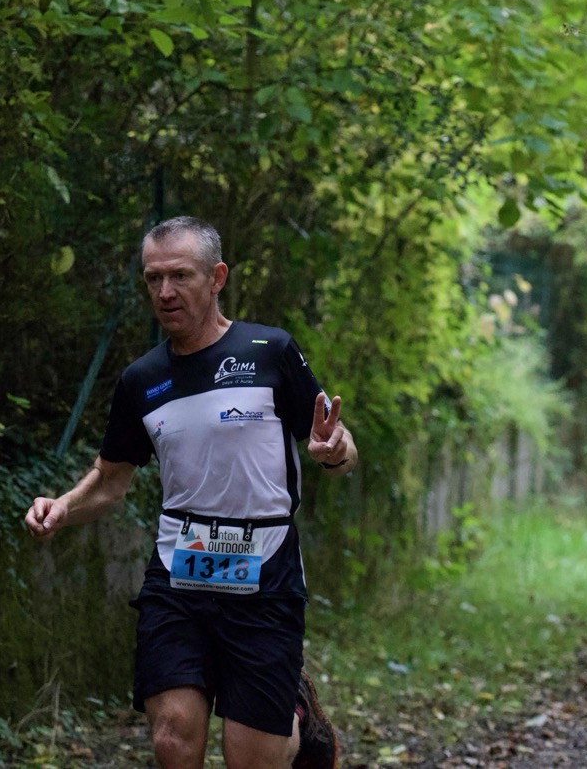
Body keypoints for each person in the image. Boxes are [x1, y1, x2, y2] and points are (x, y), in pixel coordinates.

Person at [24, 216, 357, 769]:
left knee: (251, 759)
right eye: (153, 279)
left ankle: (301, 725)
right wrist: (62, 507)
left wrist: (334, 451)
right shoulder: (141, 380)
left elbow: (338, 446)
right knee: (171, 739)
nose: (165, 292)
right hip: (179, 573)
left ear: (217, 277)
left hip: (266, 573)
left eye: (180, 276)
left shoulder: (270, 351)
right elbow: (110, 480)